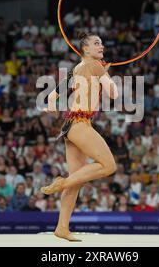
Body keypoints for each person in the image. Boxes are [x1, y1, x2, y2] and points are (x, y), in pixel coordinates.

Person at [40, 31, 118, 241]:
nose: (101, 46)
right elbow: (114, 94)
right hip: (80, 124)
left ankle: (62, 228)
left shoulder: (80, 67)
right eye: (96, 43)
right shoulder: (94, 66)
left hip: (71, 126)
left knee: (77, 181)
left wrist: (50, 99)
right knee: (109, 166)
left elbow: (63, 86)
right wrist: (105, 74)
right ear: (85, 49)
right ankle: (61, 183)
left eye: (102, 43)